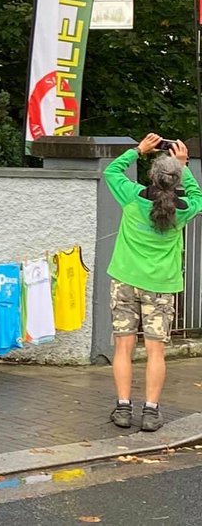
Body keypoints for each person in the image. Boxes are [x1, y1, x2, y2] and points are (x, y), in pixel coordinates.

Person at [104, 133, 202, 432]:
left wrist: (138, 150)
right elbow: (198, 197)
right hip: (161, 285)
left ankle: (123, 408)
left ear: (152, 176)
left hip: (124, 279)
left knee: (123, 346)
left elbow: (111, 171)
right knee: (156, 350)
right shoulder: (183, 209)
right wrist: (183, 165)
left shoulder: (132, 197)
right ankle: (151, 411)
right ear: (175, 181)